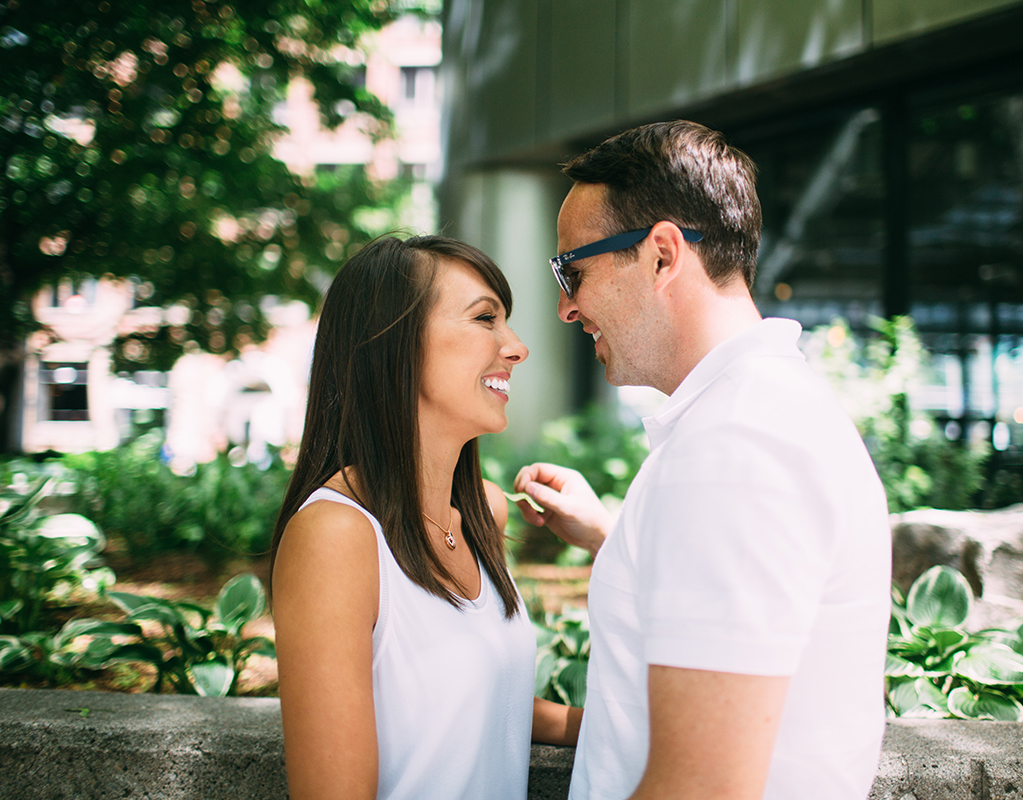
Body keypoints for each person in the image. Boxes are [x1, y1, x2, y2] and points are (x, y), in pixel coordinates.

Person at [513, 121, 891, 800]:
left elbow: (701, 790)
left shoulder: (736, 447)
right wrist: (612, 536)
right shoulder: (755, 419)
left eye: (573, 270)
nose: (567, 307)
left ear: (661, 255)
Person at [270, 234, 581, 800]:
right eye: (485, 318)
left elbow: (473, 696)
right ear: (394, 346)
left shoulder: (482, 511)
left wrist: (609, 729)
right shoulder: (336, 536)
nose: (516, 347)